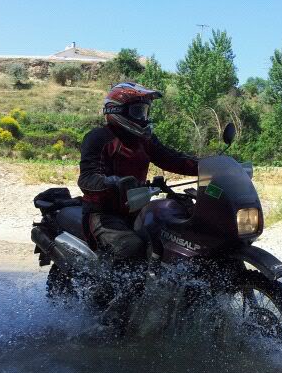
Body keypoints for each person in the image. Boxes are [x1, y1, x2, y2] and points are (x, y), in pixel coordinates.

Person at [77, 82, 199, 260]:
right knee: (132, 247)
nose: (143, 118)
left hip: (136, 209)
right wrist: (114, 182)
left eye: (144, 111)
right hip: (102, 213)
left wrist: (210, 165)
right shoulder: (98, 138)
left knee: (172, 236)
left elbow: (172, 158)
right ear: (116, 111)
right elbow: (86, 178)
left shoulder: (144, 140)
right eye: (137, 111)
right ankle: (115, 288)